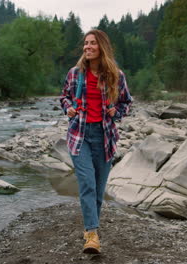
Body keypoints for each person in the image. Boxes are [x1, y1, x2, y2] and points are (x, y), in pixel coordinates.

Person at [60, 29, 133, 254]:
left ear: (101, 47)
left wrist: (115, 112)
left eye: (92, 43)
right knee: (88, 185)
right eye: (85, 43)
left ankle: (92, 229)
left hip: (104, 138)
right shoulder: (74, 74)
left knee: (99, 190)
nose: (87, 47)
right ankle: (92, 235)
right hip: (79, 137)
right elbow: (64, 96)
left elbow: (127, 103)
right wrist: (68, 108)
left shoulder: (115, 75)